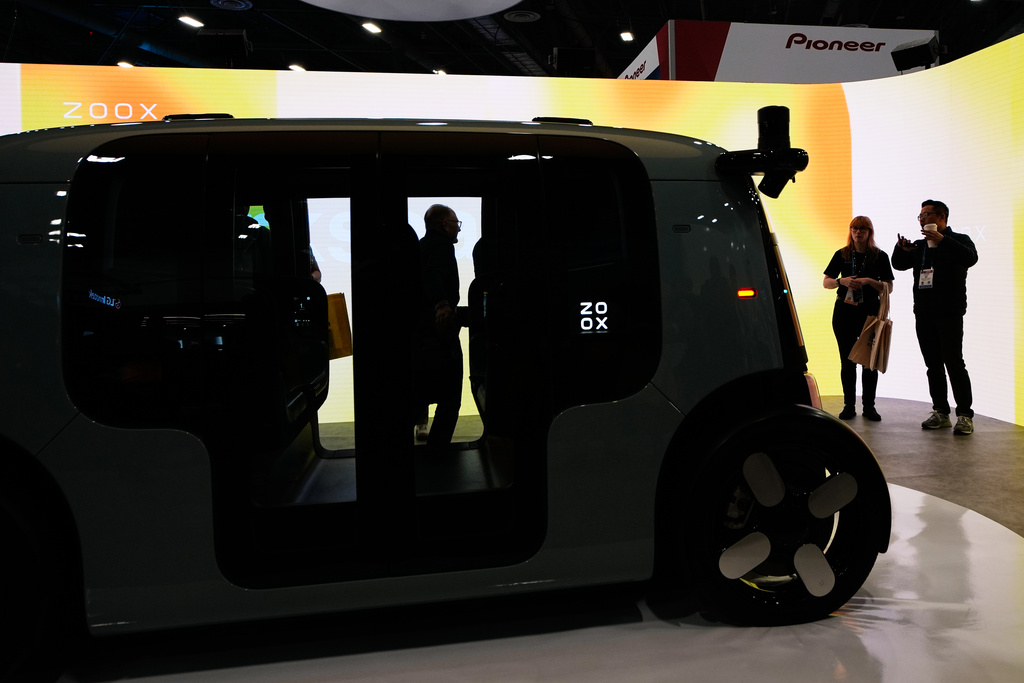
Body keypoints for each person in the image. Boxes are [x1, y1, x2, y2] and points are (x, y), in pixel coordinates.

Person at [892, 199, 979, 435]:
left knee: (954, 362)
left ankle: (965, 415)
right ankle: (941, 411)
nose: (922, 220)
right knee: (933, 365)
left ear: (941, 218)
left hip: (949, 313)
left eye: (926, 215)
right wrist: (900, 248)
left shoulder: (959, 240)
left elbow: (971, 258)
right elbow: (898, 265)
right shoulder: (920, 246)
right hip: (923, 312)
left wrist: (944, 241)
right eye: (919, 216)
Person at [823, 216, 894, 421]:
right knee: (847, 361)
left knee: (868, 362)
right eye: (854, 228)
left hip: (870, 312)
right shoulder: (842, 254)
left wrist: (870, 281)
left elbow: (889, 287)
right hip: (844, 312)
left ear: (870, 232)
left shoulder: (879, 256)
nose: (858, 232)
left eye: (862, 228)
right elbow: (826, 282)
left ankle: (869, 407)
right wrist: (840, 281)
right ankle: (849, 406)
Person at [414, 204, 467, 453]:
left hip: (422, 337)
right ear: (445, 224)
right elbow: (433, 276)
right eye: (456, 223)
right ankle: (437, 451)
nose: (458, 228)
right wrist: (443, 305)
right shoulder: (441, 246)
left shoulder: (421, 247)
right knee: (451, 397)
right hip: (439, 335)